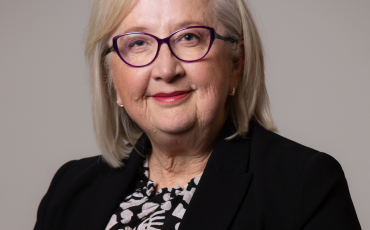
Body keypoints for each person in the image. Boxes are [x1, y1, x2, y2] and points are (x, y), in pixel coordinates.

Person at [34, 0, 362, 229]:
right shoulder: (71, 188)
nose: (165, 69)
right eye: (138, 43)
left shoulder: (303, 185)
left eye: (189, 37)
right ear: (114, 82)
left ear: (235, 65)